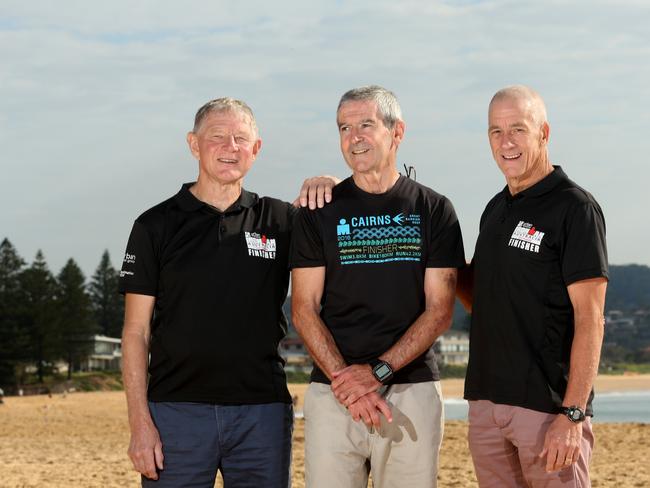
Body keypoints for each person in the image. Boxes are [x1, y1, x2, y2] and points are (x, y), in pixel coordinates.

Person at [119, 97, 335, 487]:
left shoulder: (282, 220)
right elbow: (136, 332)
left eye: (240, 138)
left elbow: (337, 221)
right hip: (175, 412)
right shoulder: (155, 225)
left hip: (261, 412)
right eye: (217, 136)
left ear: (257, 149)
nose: (229, 147)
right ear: (193, 144)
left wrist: (333, 183)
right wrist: (140, 423)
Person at [290, 85, 465, 488]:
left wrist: (379, 372)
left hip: (411, 388)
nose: (354, 137)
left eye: (366, 125)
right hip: (334, 392)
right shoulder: (319, 210)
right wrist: (346, 381)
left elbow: (439, 310)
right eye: (344, 128)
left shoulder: (434, 209)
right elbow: (304, 307)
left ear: (397, 132)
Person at [457, 85, 608, 487]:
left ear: (544, 132)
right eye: (495, 131)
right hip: (486, 405)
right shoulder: (494, 209)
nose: (506, 142)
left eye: (518, 129)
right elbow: (485, 300)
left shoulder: (575, 208)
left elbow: (591, 320)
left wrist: (572, 413)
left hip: (546, 409)